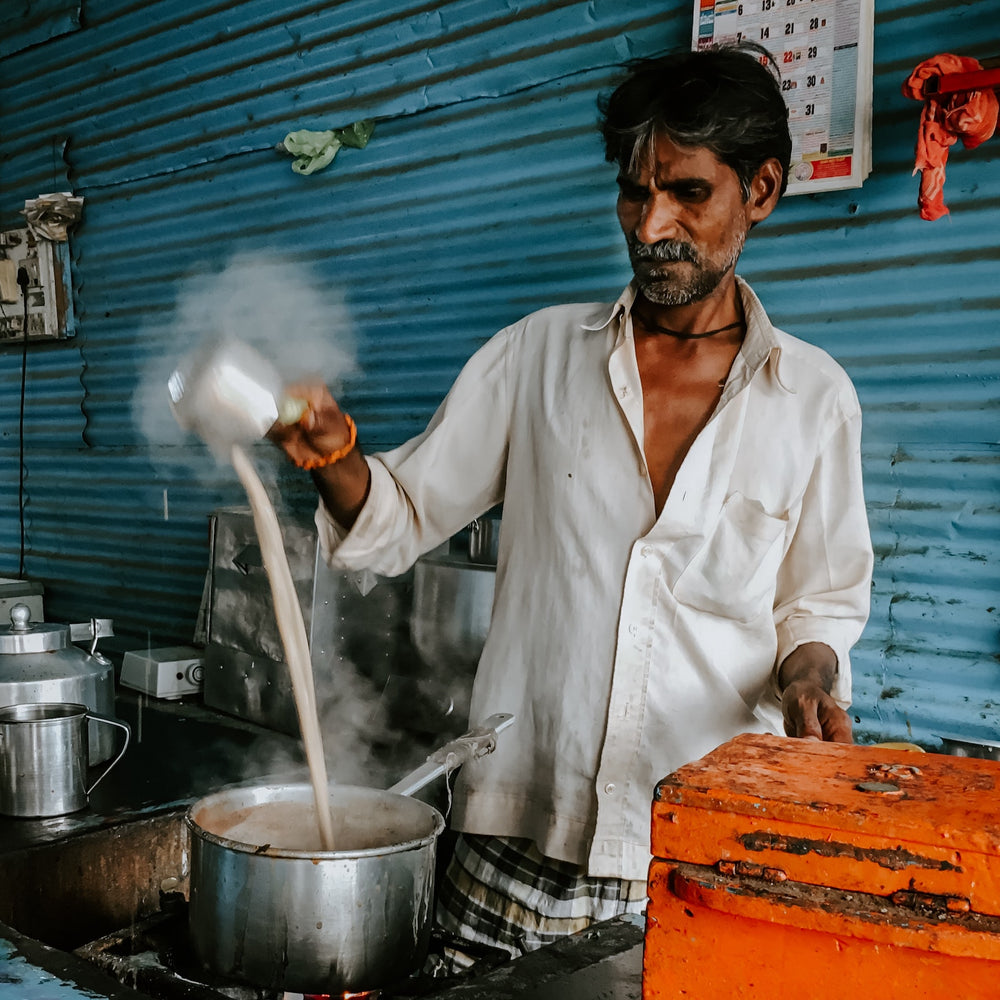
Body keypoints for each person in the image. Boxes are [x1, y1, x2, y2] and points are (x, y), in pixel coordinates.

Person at [269, 43, 873, 961]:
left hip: (691, 855)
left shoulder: (814, 398)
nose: (652, 223)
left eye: (689, 194)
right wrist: (335, 458)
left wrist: (810, 680)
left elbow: (818, 604)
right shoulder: (537, 357)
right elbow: (398, 517)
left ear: (762, 190)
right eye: (635, 193)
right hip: (514, 835)